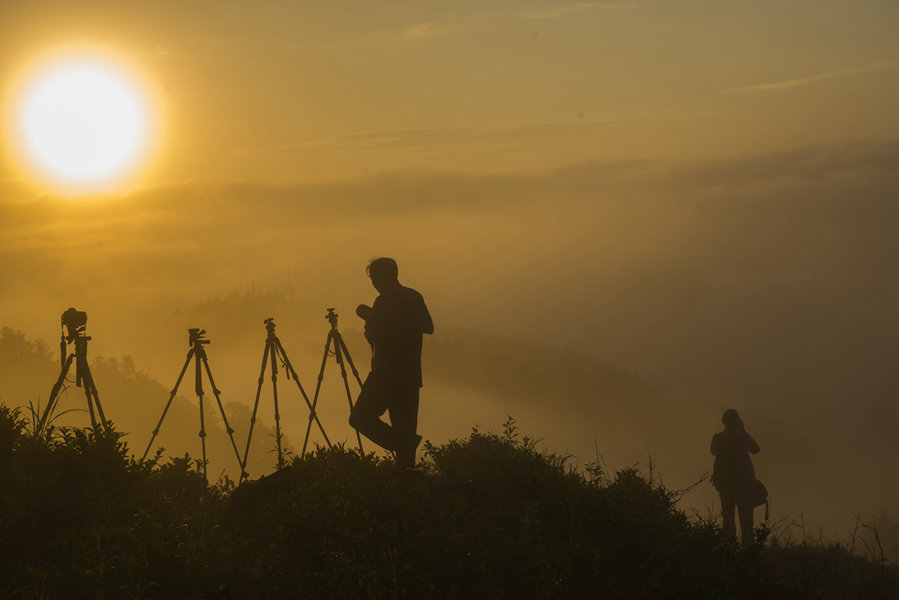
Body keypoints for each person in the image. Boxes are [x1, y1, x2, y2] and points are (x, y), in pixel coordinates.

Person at [349, 257, 433, 469]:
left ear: (381, 278)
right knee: (405, 428)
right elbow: (428, 326)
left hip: (385, 375)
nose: (374, 284)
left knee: (359, 417)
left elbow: (373, 335)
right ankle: (407, 473)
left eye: (374, 278)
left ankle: (404, 443)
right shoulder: (413, 297)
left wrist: (374, 319)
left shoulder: (384, 302)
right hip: (410, 377)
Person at [710, 409, 760, 545]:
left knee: (727, 521)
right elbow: (756, 449)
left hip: (725, 486)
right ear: (737, 422)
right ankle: (748, 555)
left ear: (723, 422)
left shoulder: (717, 439)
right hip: (743, 486)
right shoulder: (741, 437)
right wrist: (742, 431)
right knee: (746, 522)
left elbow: (713, 452)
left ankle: (729, 553)